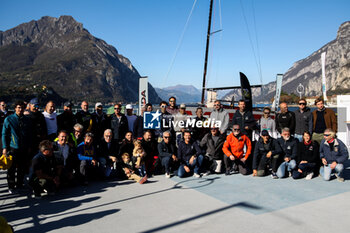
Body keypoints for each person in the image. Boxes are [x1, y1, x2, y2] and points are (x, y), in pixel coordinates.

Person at [2, 101, 32, 193]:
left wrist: (29, 146)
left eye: (22, 107)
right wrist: (4, 147)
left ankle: (19, 184)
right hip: (13, 147)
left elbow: (29, 134)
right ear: (15, 108)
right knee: (12, 168)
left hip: (24, 147)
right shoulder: (9, 119)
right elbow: (4, 134)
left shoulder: (27, 119)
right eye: (18, 107)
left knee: (22, 167)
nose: (20, 109)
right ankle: (11, 186)